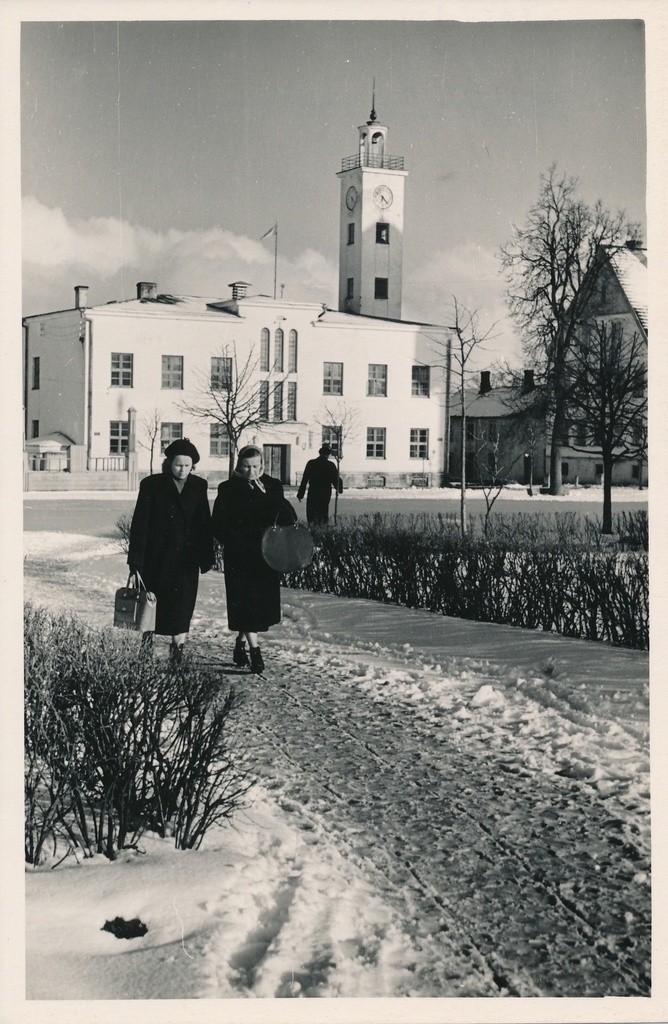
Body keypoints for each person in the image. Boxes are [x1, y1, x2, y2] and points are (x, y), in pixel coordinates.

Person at [128, 438, 214, 661]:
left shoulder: (199, 486)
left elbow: (204, 522)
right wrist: (135, 561)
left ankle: (178, 649)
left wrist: (206, 555)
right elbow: (140, 523)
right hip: (156, 559)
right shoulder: (152, 485)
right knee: (152, 604)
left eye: (187, 465)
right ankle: (146, 646)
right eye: (178, 465)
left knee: (183, 606)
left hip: (187, 560)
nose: (182, 469)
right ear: (168, 463)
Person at [212, 445, 291, 674]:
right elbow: (218, 523)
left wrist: (268, 496)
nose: (251, 471)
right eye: (246, 466)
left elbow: (286, 518)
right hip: (239, 556)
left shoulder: (272, 485)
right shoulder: (228, 488)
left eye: (255, 466)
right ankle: (256, 653)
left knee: (256, 607)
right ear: (239, 464)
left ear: (263, 464)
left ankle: (241, 643)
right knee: (244, 603)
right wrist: (234, 541)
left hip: (265, 556)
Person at [296, 444, 343, 524]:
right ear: (328, 455)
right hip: (325, 493)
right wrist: (339, 489)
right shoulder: (330, 465)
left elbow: (304, 479)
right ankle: (322, 530)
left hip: (313, 492)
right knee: (323, 512)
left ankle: (312, 529)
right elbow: (335, 479)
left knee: (311, 514)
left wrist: (300, 494)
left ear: (319, 453)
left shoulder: (311, 463)